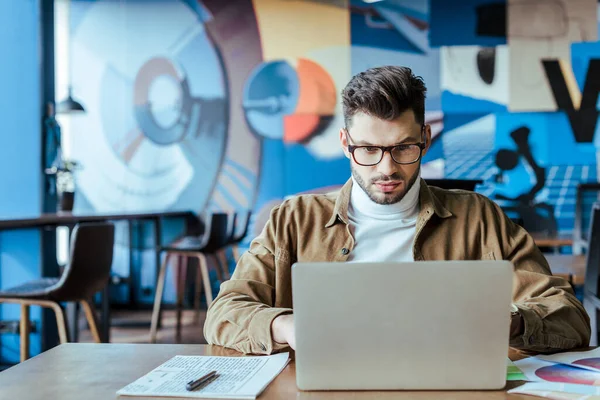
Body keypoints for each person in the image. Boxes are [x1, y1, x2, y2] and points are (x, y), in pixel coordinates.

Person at [204, 66, 590, 355]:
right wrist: (287, 326)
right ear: (344, 143)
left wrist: (511, 322)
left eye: (403, 148)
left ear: (425, 139)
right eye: (368, 149)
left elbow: (570, 317)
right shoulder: (292, 220)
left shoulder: (480, 218)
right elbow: (224, 312)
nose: (386, 168)